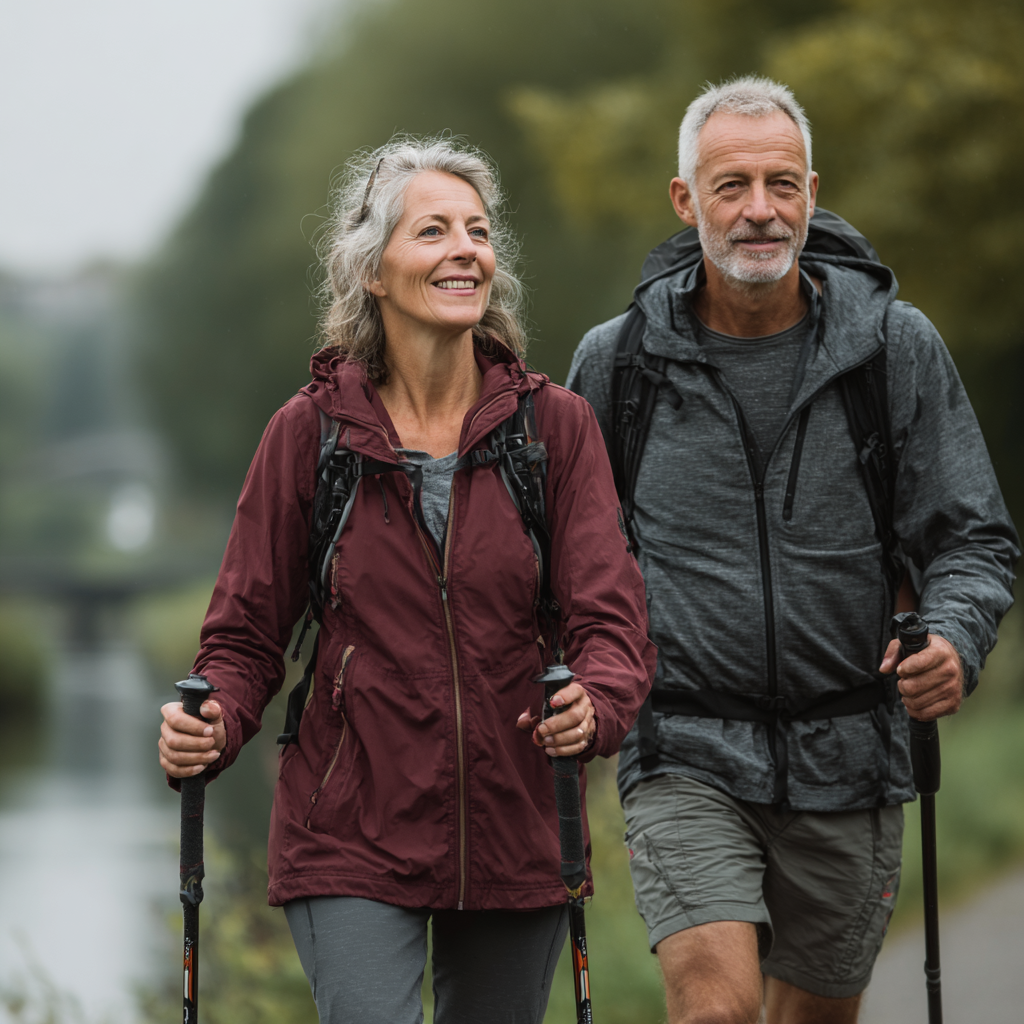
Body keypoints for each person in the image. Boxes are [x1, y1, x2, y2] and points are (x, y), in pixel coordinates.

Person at [157, 136, 655, 1024]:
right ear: (374, 273)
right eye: (433, 231)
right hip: (347, 827)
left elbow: (611, 625)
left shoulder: (555, 431)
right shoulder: (309, 436)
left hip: (518, 819)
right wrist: (214, 721)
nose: (465, 248)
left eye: (478, 231)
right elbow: (242, 635)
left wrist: (598, 700)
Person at [567, 77, 1019, 1024]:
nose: (760, 211)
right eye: (731, 186)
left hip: (851, 751)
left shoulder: (893, 349)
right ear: (686, 201)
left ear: (813, 192)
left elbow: (972, 538)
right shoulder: (617, 365)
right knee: (716, 1009)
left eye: (781, 183)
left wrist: (952, 638)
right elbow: (566, 563)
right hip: (682, 747)